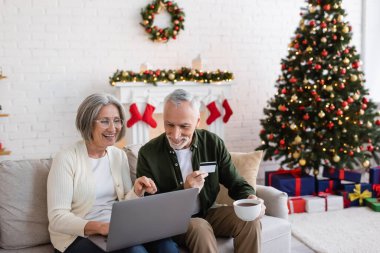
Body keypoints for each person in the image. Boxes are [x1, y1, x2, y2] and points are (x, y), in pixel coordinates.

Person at [136, 89, 266, 253]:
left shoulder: (212, 143)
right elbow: (151, 208)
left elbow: (235, 182)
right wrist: (185, 190)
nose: (176, 135)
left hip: (209, 211)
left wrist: (250, 198)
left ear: (197, 122)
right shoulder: (148, 153)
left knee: (250, 220)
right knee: (200, 227)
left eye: (184, 126)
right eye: (169, 124)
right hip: (174, 221)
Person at [47, 93, 179, 253]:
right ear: (88, 123)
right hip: (77, 237)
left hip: (117, 229)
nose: (112, 128)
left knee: (166, 246)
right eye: (104, 121)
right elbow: (57, 217)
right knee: (135, 251)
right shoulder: (66, 158)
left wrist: (136, 192)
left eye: (117, 121)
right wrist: (100, 227)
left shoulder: (118, 155)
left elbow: (123, 204)